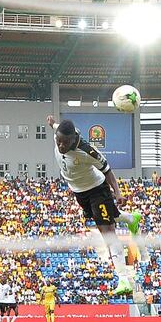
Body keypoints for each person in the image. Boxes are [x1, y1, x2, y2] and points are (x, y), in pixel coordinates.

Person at [46, 115, 142, 295]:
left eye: (64, 143)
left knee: (107, 232)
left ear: (73, 139)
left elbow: (107, 170)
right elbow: (56, 127)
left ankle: (123, 280)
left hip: (97, 190)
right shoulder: (60, 133)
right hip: (79, 192)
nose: (60, 146)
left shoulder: (87, 151)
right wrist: (52, 123)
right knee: (104, 220)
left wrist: (118, 192)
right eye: (58, 142)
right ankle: (130, 218)